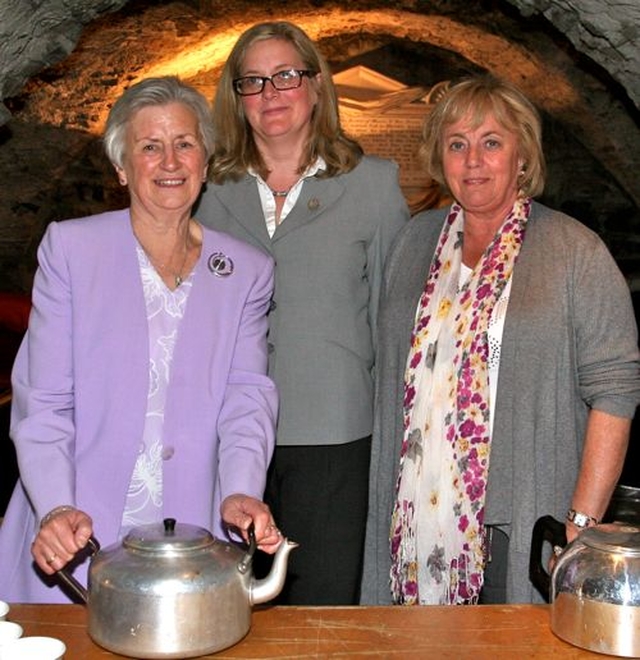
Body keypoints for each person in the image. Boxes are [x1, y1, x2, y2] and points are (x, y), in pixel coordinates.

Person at [0, 76, 282, 604]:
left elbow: (247, 397)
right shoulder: (72, 250)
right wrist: (56, 506)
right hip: (77, 527)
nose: (169, 162)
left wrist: (241, 489)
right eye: (150, 147)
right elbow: (43, 401)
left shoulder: (246, 270)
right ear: (122, 167)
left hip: (188, 534)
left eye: (184, 144)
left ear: (205, 160)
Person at [361, 75, 640, 605]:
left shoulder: (574, 251)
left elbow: (616, 392)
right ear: (439, 156)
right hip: (415, 520)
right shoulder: (412, 244)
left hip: (524, 519)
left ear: (523, 159)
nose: (473, 161)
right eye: (457, 144)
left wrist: (579, 525)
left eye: (491, 143)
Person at [195, 21, 409, 605]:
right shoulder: (206, 192)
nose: (272, 92)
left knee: (322, 610)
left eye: (286, 75)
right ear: (235, 99)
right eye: (254, 81)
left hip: (335, 436)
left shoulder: (373, 184)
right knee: (223, 609)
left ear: (317, 86)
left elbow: (391, 324)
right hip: (222, 437)